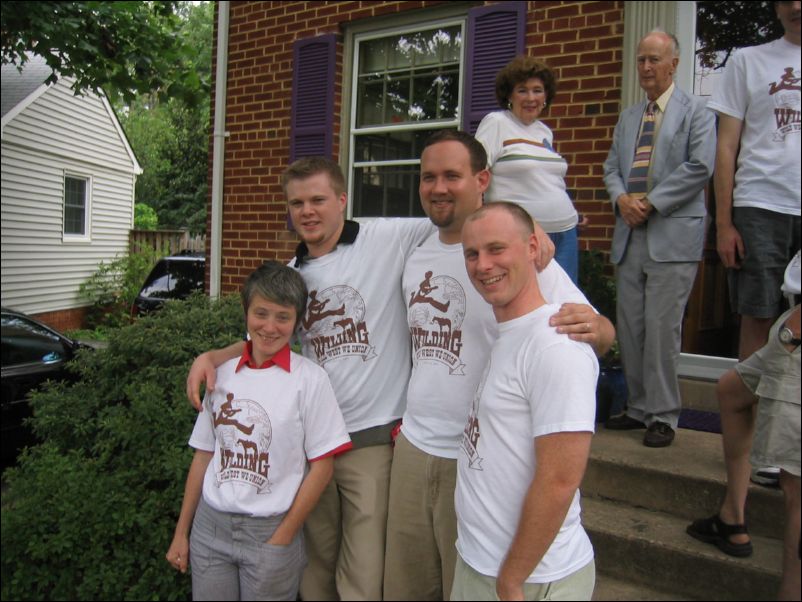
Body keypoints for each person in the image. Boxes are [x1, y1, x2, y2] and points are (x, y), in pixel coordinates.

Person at [385, 130, 615, 601]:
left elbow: (595, 334)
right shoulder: (414, 248)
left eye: (452, 175)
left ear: (482, 179)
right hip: (414, 443)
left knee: (466, 582)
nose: (439, 187)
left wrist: (602, 331)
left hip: (477, 460)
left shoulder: (525, 254)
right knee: (408, 586)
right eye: (429, 177)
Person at [165, 260, 351, 600]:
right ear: (246, 312)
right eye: (260, 313)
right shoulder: (220, 375)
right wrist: (182, 532)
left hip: (270, 532)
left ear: (297, 322)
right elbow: (204, 456)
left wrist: (284, 536)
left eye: (283, 316)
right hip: (211, 529)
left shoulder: (309, 380)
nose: (270, 326)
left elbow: (322, 467)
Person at [452, 202, 597, 601]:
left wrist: (512, 579)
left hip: (533, 579)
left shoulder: (555, 347)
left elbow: (561, 479)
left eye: (497, 249)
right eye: (472, 253)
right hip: (481, 562)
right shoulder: (510, 335)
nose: (483, 265)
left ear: (533, 248)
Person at [602, 30, 716, 447]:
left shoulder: (697, 113)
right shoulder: (630, 116)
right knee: (631, 328)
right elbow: (612, 167)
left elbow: (699, 167)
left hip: (671, 236)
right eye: (641, 60)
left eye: (654, 59)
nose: (646, 68)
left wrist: (648, 202)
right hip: (629, 235)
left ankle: (663, 415)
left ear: (674, 63)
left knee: (662, 329)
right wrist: (621, 199)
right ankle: (636, 407)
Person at [687, 250, 800, 601]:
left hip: (797, 338)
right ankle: (732, 517)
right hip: (791, 323)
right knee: (732, 391)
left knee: (797, 486)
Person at [709, 0, 800, 364]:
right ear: (776, 9)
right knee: (757, 315)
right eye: (785, 0)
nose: (795, 6)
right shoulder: (748, 61)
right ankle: (751, 420)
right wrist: (724, 223)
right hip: (759, 206)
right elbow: (726, 146)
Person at [475, 55, 581, 283]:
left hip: (566, 232)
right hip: (526, 236)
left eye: (537, 90)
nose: (531, 98)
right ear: (509, 95)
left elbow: (546, 180)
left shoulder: (544, 131)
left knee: (562, 307)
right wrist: (526, 223)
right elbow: (476, 179)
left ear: (546, 96)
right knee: (529, 306)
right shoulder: (496, 123)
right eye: (522, 90)